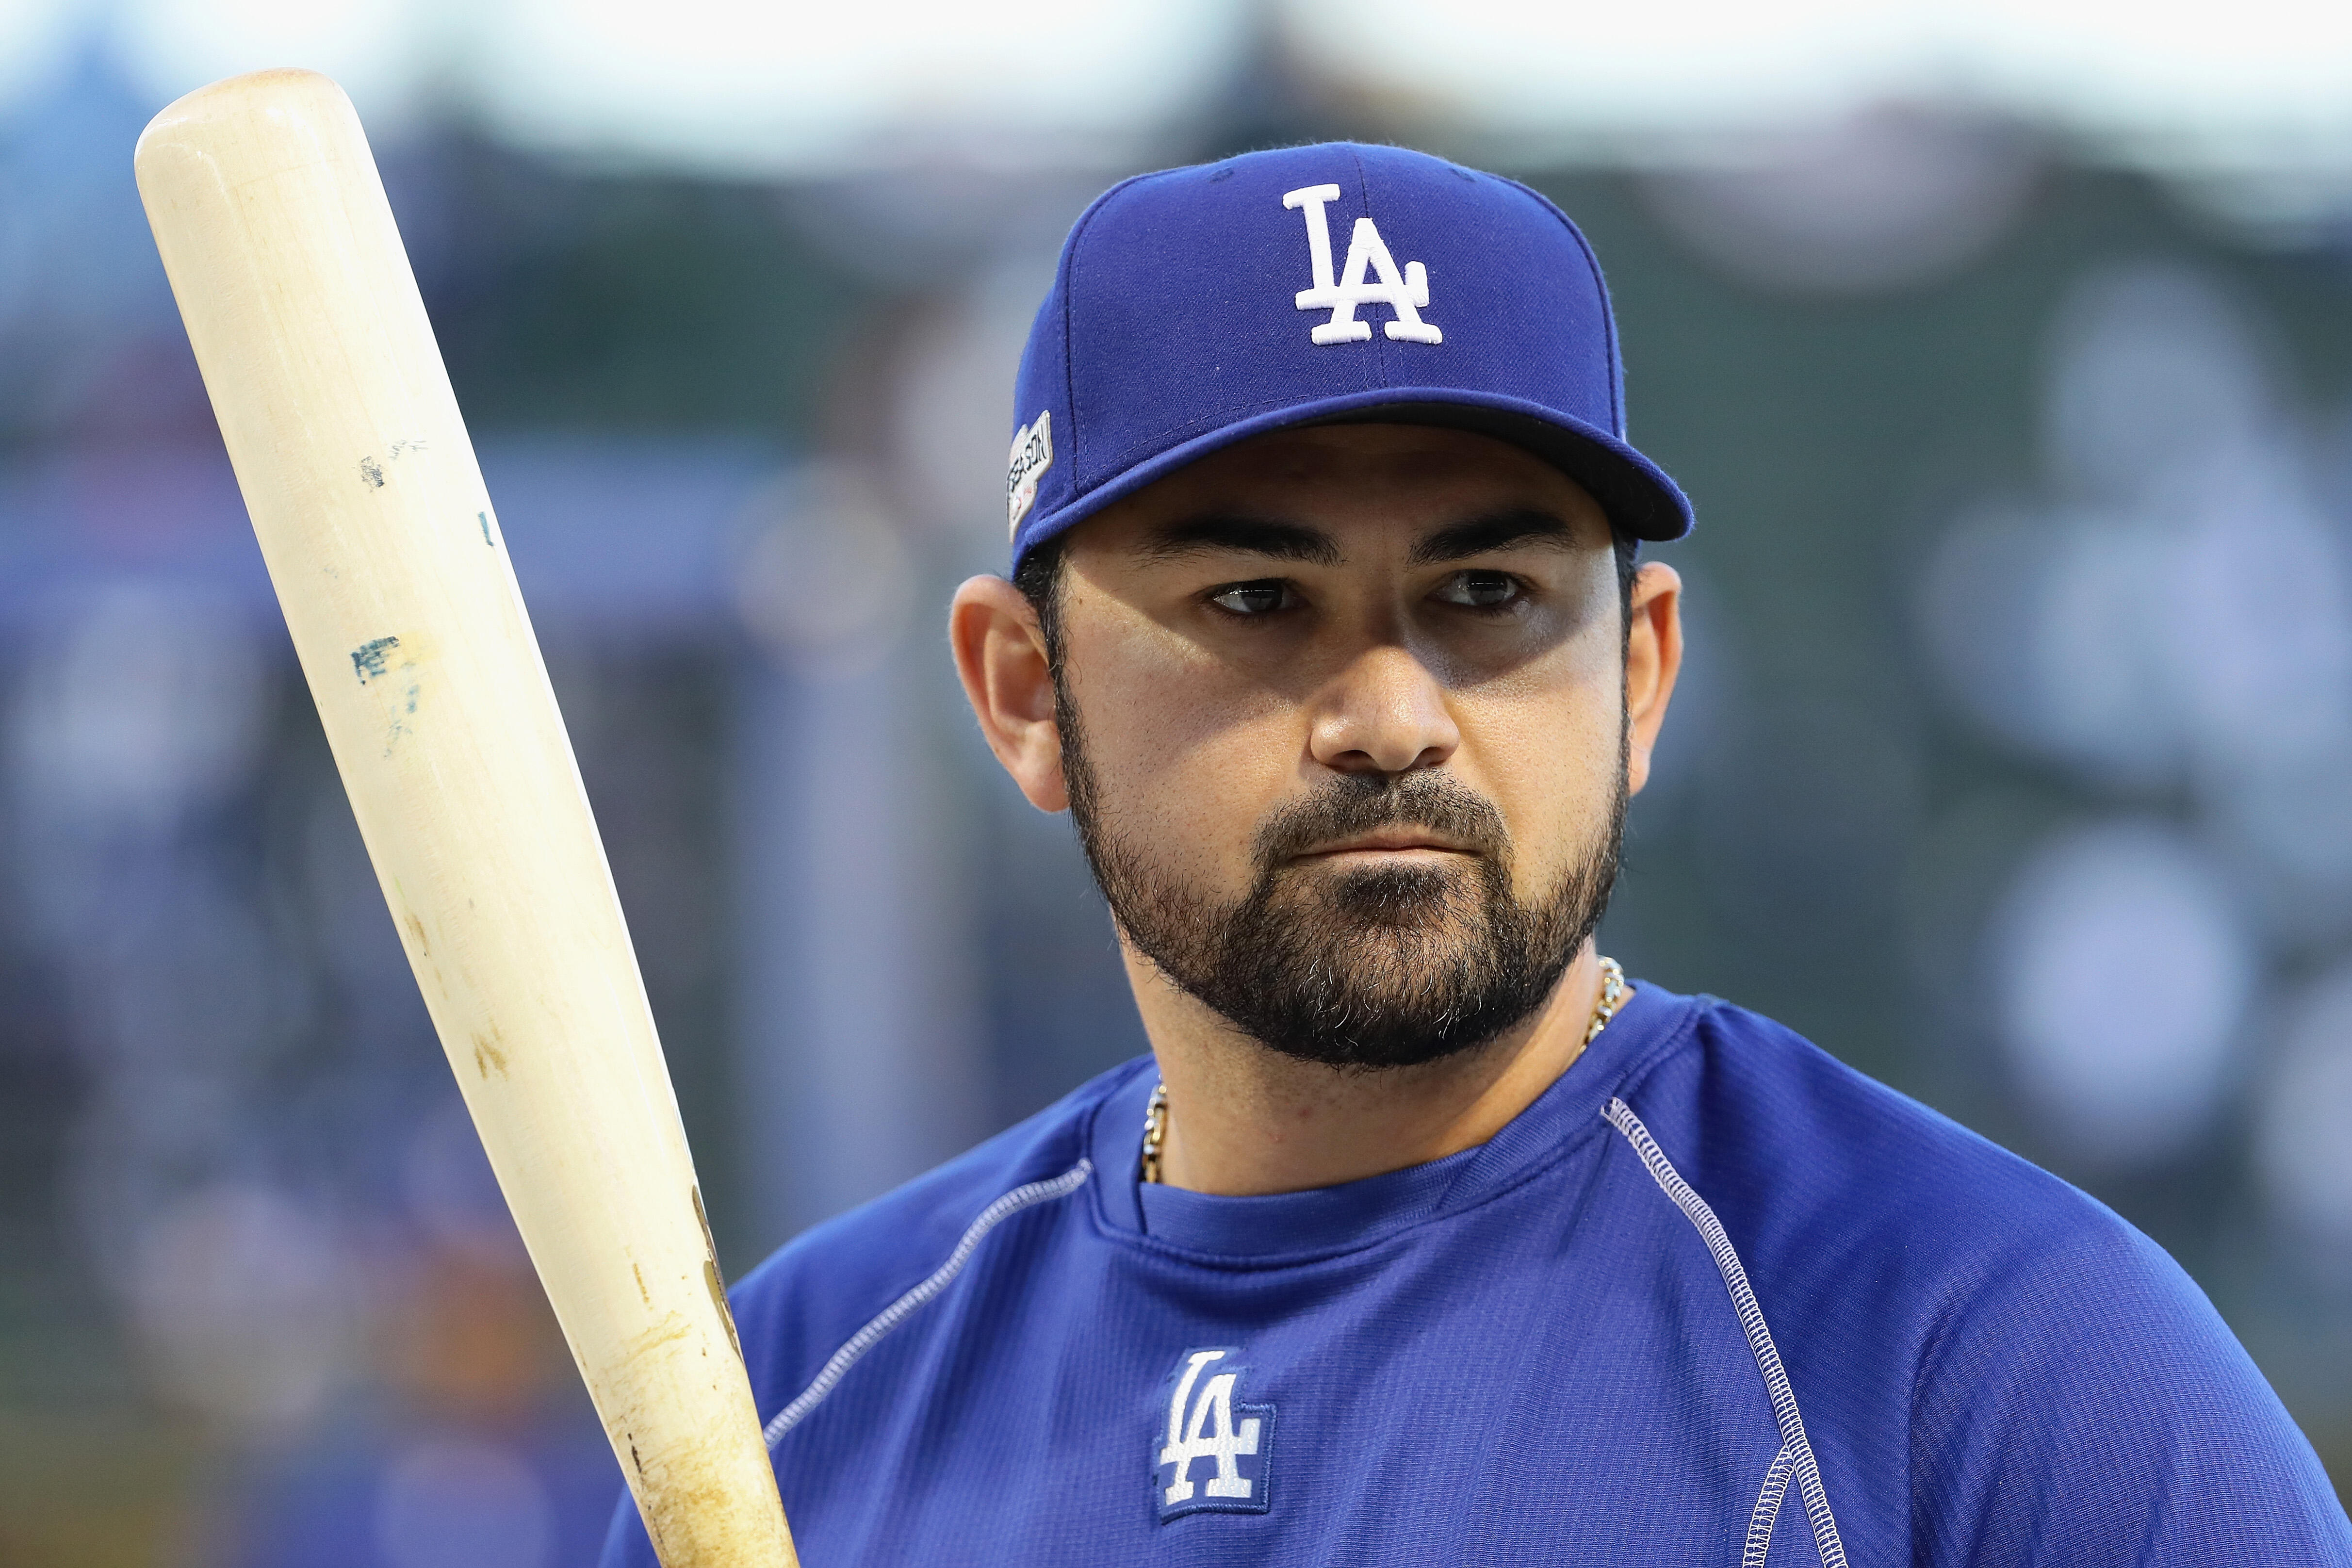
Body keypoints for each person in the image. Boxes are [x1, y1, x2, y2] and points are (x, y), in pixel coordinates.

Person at [603, 142, 2352, 1565]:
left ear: (1643, 671)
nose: (1390, 713)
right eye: (1257, 601)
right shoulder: (788, 1411)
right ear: (1022, 691)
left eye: (1487, 597)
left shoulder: (1991, 1358)